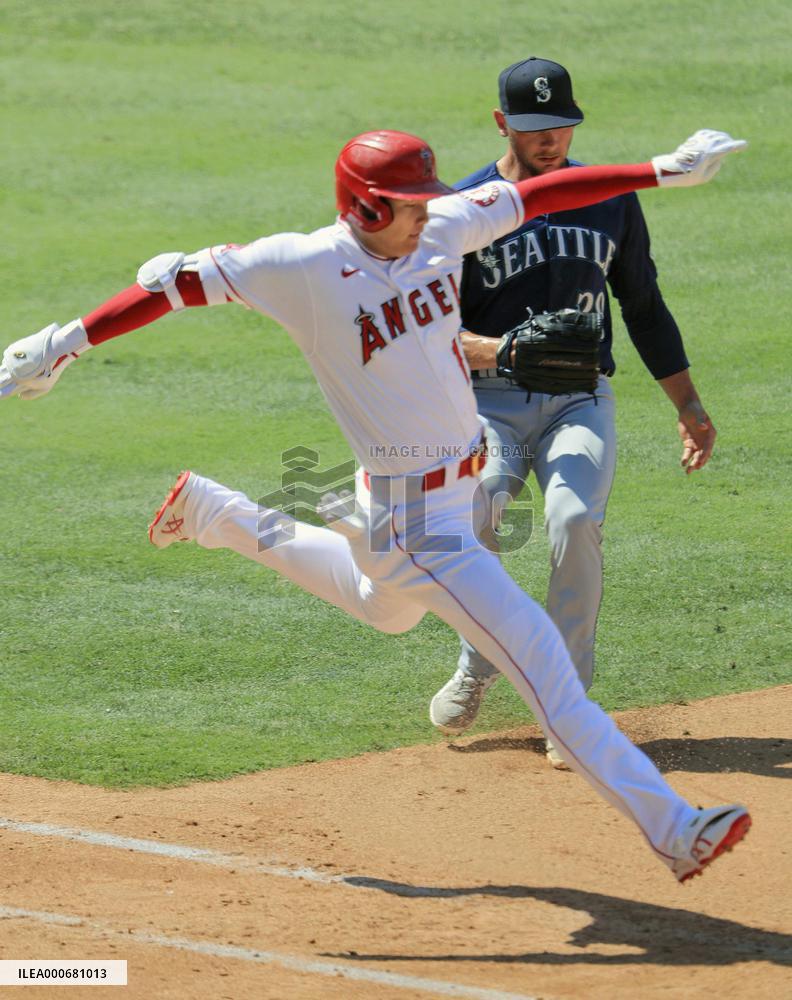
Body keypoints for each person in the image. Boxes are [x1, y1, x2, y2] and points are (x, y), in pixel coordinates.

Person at [1, 127, 751, 882]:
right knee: (543, 664)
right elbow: (173, 286)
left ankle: (212, 513)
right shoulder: (300, 267)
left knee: (385, 609)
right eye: (412, 204)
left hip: (442, 495)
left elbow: (542, 193)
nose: (429, 213)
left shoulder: (441, 228)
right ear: (365, 207)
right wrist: (62, 345)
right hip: (419, 525)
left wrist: (660, 171)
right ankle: (675, 829)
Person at [430, 58, 720, 768]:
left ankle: (566, 706)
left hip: (580, 399)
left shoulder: (609, 199)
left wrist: (688, 403)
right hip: (488, 403)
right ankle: (479, 658)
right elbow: (427, 333)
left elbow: (643, 305)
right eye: (533, 127)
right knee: (480, 510)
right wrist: (502, 350)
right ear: (501, 123)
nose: (549, 139)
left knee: (573, 519)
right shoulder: (464, 210)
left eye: (560, 125)